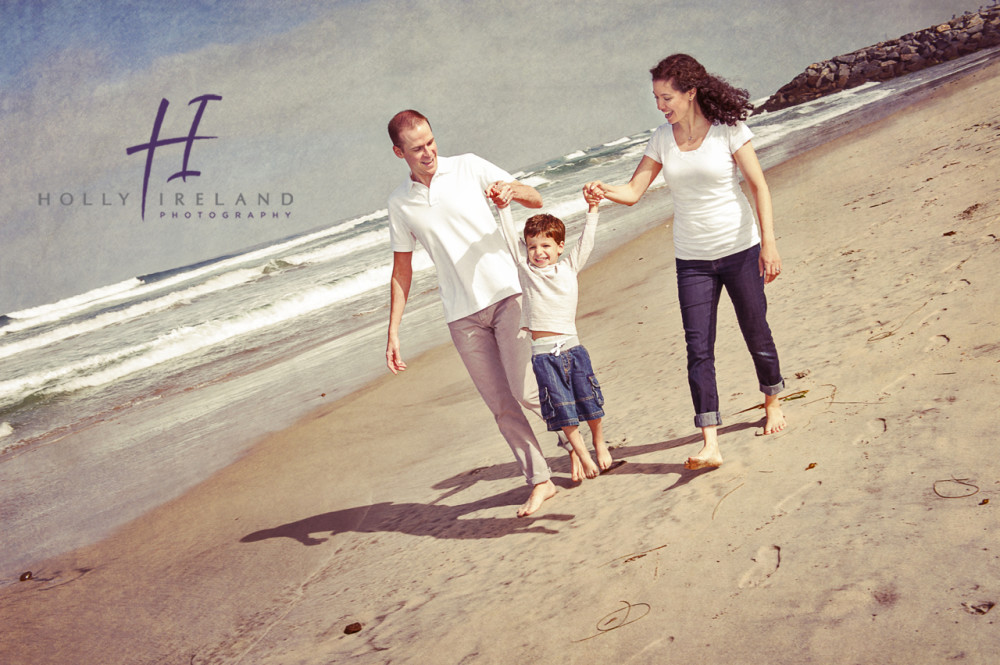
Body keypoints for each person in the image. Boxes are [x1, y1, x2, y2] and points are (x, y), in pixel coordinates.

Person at [584, 53, 786, 471]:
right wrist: (602, 189)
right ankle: (710, 442)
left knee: (755, 330)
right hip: (692, 259)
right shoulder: (661, 139)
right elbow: (635, 191)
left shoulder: (729, 131)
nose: (661, 106)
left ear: (690, 92)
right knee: (698, 348)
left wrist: (769, 243)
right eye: (657, 98)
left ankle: (773, 401)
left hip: (740, 248)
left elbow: (758, 186)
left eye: (667, 97)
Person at [385, 109, 567, 517]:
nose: (428, 152)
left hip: (507, 294)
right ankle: (540, 481)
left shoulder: (468, 167)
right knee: (502, 405)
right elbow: (402, 268)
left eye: (431, 142)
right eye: (417, 148)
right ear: (399, 152)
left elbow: (535, 197)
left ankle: (573, 443)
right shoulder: (400, 203)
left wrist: (509, 191)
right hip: (462, 315)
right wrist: (394, 330)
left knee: (527, 391)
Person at [487, 183, 613, 480]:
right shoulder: (526, 271)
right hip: (543, 355)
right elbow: (508, 238)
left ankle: (599, 442)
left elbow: (587, 242)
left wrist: (593, 209)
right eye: (532, 246)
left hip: (573, 348)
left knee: (589, 402)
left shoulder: (569, 268)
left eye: (545, 245)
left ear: (559, 247)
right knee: (562, 408)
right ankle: (581, 454)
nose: (538, 252)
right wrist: (503, 208)